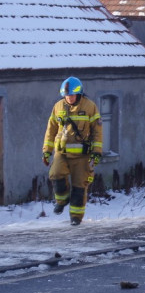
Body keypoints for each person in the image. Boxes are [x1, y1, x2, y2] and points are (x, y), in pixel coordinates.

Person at [42, 77, 103, 225]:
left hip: (82, 155)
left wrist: (96, 152)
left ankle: (76, 217)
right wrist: (47, 151)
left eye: (71, 95)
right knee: (55, 174)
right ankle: (62, 201)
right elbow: (51, 130)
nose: (69, 98)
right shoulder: (58, 107)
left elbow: (97, 131)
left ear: (79, 94)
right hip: (61, 153)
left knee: (79, 186)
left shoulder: (90, 107)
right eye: (66, 95)